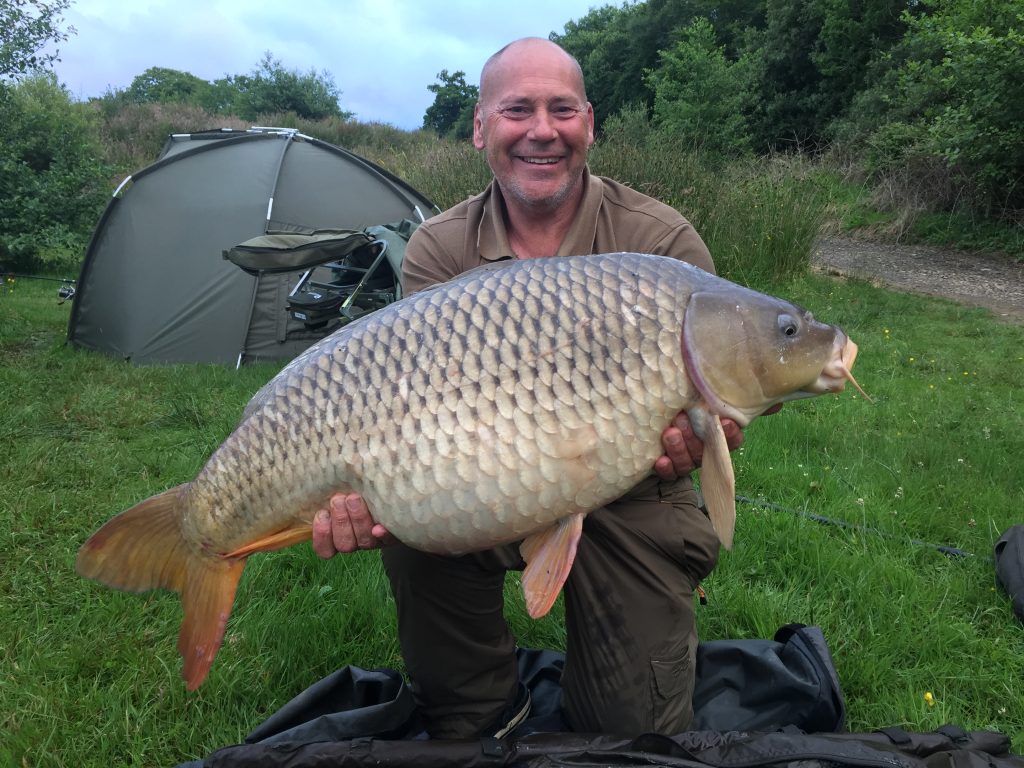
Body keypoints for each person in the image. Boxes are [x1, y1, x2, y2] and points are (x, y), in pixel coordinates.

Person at [311, 37, 747, 739]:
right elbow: (411, 413)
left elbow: (718, 396)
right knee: (405, 517)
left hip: (631, 492)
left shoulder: (661, 241)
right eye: (518, 110)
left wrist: (705, 435)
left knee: (633, 735)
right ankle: (479, 708)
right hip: (486, 477)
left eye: (562, 109)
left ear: (590, 124)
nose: (542, 130)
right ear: (481, 127)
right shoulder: (439, 249)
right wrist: (371, 489)